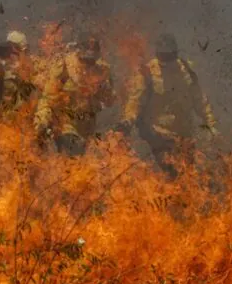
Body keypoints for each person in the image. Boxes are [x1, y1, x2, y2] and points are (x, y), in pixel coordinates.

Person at [117, 33, 219, 178]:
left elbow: (199, 100)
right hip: (158, 135)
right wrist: (128, 119)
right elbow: (135, 101)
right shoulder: (147, 73)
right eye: (163, 56)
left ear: (176, 53)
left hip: (184, 136)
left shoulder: (186, 70)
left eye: (170, 55)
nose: (167, 60)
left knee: (186, 178)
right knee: (170, 172)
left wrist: (211, 123)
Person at [34, 33, 116, 156]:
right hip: (65, 125)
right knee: (73, 151)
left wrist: (105, 88)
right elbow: (48, 98)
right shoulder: (65, 67)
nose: (88, 64)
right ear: (79, 50)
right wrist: (42, 120)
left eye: (92, 59)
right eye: (85, 58)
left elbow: (109, 101)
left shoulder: (101, 71)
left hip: (87, 128)